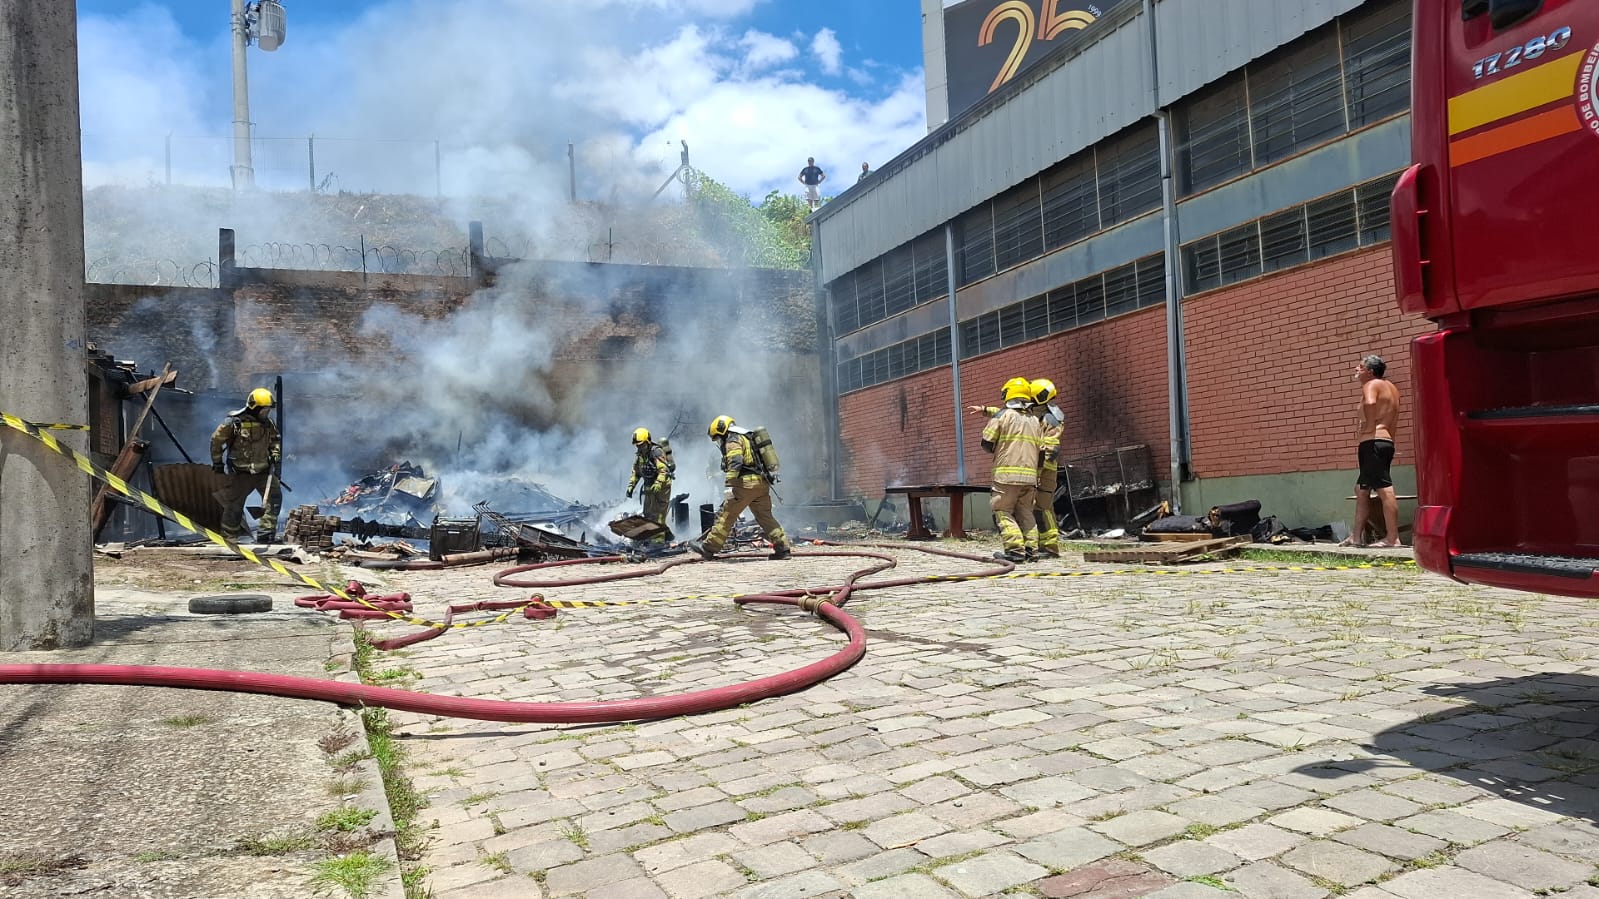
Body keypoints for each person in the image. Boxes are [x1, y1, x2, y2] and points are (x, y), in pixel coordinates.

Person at [687, 415, 792, 561]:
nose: (719, 441)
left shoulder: (732, 439)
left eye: (718, 437)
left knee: (726, 516)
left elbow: (735, 462)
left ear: (722, 429)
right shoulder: (747, 437)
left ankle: (708, 548)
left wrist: (729, 485)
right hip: (761, 484)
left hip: (744, 485)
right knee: (766, 517)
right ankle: (783, 549)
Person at [982, 379, 1044, 562]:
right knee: (1026, 512)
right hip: (1030, 478)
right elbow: (1041, 453)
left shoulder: (1003, 416)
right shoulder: (1035, 420)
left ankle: (1015, 550)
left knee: (1003, 511)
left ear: (1008, 394)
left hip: (1006, 476)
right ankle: (1032, 550)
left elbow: (986, 443)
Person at [210, 387, 282, 544]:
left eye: (268, 410)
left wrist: (275, 453)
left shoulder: (268, 424)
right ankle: (229, 539)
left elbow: (275, 439)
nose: (267, 413)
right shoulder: (233, 422)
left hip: (263, 471)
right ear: (255, 408)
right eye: (264, 410)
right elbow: (216, 441)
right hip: (241, 473)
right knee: (234, 505)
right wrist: (217, 463)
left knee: (274, 499)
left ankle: (265, 534)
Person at [1344, 354, 1402, 547]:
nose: (1356, 370)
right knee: (1362, 489)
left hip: (1373, 441)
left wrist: (1368, 426)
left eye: (1360, 367)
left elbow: (1369, 403)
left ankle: (1393, 537)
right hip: (1384, 441)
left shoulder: (1371, 384)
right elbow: (1392, 418)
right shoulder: (1392, 389)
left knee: (1384, 488)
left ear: (1370, 371)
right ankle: (1356, 536)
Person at [1029, 378, 1065, 559]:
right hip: (1038, 469)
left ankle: (1051, 546)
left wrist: (1037, 472)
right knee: (1037, 507)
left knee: (1044, 507)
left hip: (1045, 470)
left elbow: (1049, 450)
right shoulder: (1041, 415)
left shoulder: (1050, 419)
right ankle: (1042, 544)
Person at [625, 427, 674, 544]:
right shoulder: (640, 455)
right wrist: (631, 486)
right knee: (648, 515)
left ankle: (658, 543)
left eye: (641, 445)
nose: (639, 447)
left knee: (659, 516)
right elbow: (636, 472)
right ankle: (667, 536)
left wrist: (658, 483)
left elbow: (664, 471)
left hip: (662, 487)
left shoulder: (656, 452)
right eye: (637, 445)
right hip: (649, 486)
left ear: (647, 442)